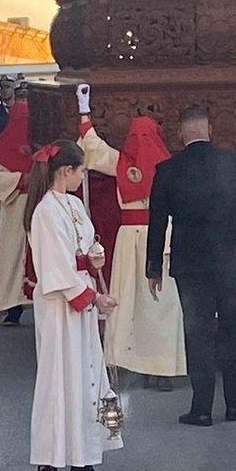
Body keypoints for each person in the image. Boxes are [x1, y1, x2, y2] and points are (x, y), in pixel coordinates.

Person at [148, 105, 236, 427]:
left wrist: (153, 266)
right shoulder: (235, 165)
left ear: (182, 133)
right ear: (209, 129)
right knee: (233, 329)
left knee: (197, 333)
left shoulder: (167, 169)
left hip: (190, 260)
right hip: (231, 258)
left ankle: (200, 409)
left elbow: (156, 220)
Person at [25, 139, 121, 471]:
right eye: (82, 170)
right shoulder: (45, 211)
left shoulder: (76, 205)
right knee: (58, 381)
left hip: (80, 299)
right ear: (66, 171)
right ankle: (47, 463)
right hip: (59, 307)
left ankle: (83, 457)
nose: (84, 177)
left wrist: (94, 258)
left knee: (88, 378)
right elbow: (54, 267)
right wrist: (94, 297)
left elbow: (83, 248)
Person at [75, 85, 186, 381]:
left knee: (127, 298)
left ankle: (124, 357)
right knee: (161, 302)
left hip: (129, 237)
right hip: (162, 235)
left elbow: (92, 147)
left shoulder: (121, 162)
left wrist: (85, 112)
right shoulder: (172, 166)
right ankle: (163, 366)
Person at [0, 101, 35, 325]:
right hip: (15, 206)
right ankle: (11, 305)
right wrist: (21, 179)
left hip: (39, 204)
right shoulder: (4, 144)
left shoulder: (39, 140)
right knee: (13, 255)